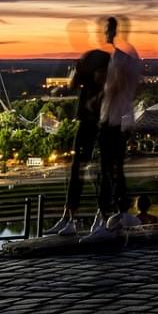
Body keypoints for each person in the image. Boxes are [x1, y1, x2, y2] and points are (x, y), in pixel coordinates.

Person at [44, 20, 110, 236]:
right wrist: (77, 71)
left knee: (98, 171)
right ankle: (69, 217)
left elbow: (105, 83)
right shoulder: (88, 57)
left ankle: (102, 218)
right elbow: (73, 85)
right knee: (76, 170)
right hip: (87, 120)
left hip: (101, 121)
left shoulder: (99, 57)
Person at [83, 15, 144, 242]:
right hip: (122, 121)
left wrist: (97, 96)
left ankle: (104, 219)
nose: (103, 32)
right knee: (115, 169)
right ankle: (119, 215)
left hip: (112, 121)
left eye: (106, 29)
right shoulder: (131, 57)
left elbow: (115, 87)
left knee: (104, 170)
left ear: (114, 30)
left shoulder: (119, 58)